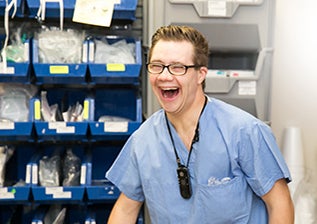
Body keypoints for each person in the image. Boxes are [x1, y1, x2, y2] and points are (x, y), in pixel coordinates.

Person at [106, 25, 294, 223]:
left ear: (200, 74)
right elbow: (125, 210)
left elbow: (279, 203)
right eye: (157, 66)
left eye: (177, 67)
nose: (164, 76)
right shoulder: (143, 140)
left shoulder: (245, 132)